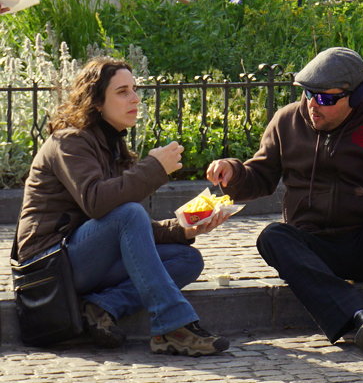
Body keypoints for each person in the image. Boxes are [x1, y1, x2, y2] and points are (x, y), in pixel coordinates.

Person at [206, 47, 363, 350]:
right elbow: (259, 177)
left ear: (355, 96)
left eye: (325, 98)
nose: (313, 105)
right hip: (312, 247)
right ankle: (359, 316)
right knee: (271, 236)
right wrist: (233, 171)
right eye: (308, 94)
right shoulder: (286, 121)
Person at [15, 57, 229, 356]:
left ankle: (102, 306)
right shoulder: (69, 142)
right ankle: (173, 327)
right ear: (97, 102)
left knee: (186, 259)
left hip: (87, 256)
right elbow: (98, 203)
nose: (135, 98)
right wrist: (154, 167)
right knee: (128, 213)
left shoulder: (112, 145)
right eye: (122, 91)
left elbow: (130, 231)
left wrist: (182, 228)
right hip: (51, 263)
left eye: (134, 89)